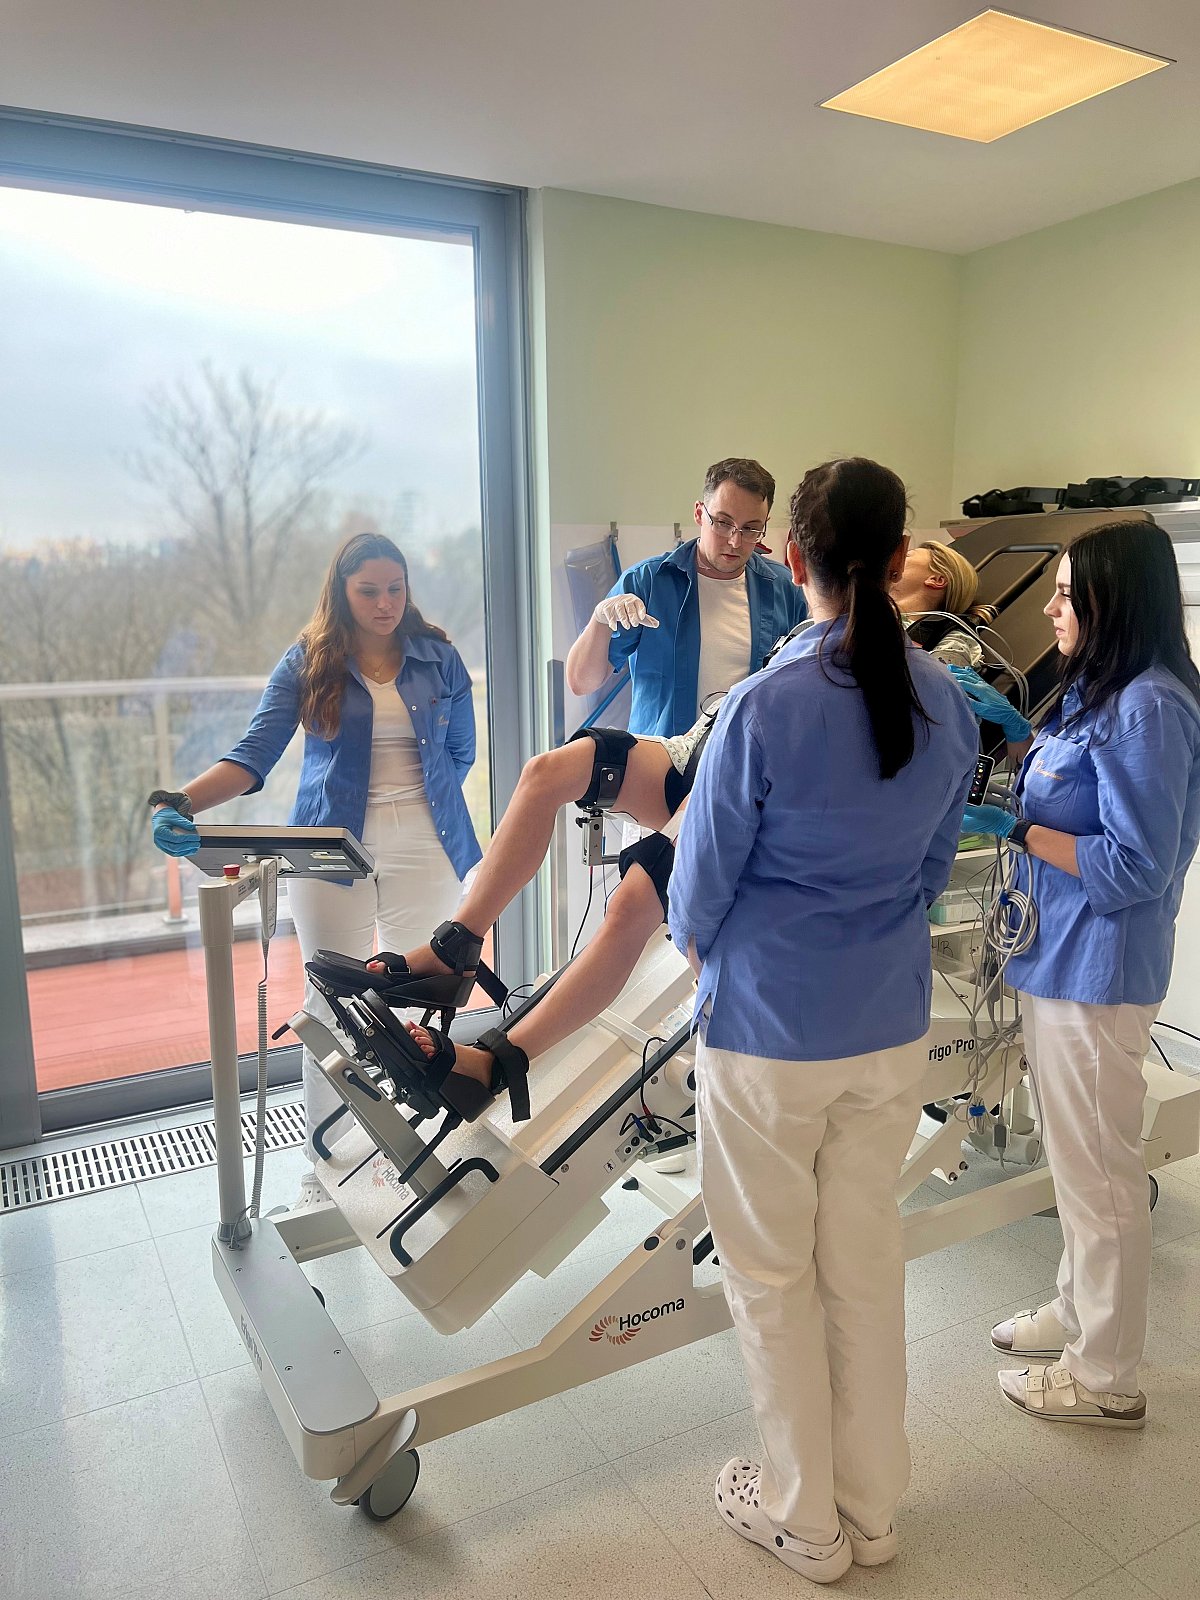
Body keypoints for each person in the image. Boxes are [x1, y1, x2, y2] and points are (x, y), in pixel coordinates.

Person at [667, 458, 978, 1582]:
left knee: (771, 1276)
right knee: (863, 1264)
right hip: (886, 1027)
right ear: (897, 562)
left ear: (791, 557)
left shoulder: (766, 707)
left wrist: (712, 956)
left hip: (768, 1031)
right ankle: (872, 1509)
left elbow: (697, 893)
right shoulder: (947, 702)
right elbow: (932, 872)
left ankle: (804, 1519)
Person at [952, 521, 1200, 1429]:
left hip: (1101, 970)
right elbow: (1079, 787)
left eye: (1067, 593)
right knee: (1074, 1159)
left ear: (1113, 601)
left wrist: (1017, 830)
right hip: (1058, 955)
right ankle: (1076, 1312)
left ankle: (1106, 1377)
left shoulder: (1151, 707)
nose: (1052, 607)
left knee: (1102, 1177)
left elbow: (1137, 865)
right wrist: (1021, 741)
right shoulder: (1101, 689)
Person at [147, 531, 481, 1191]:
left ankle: (408, 1147)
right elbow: (254, 755)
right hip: (330, 848)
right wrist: (178, 802)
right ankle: (329, 1160)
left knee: (415, 999)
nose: (385, 603)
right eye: (368, 591)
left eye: (395, 588)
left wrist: (415, 806)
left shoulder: (439, 657)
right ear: (341, 591)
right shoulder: (308, 660)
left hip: (426, 844)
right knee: (332, 1004)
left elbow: (461, 753)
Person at [565, 458, 807, 736]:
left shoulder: (785, 589)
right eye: (723, 523)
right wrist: (600, 622)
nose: (734, 541)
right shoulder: (648, 583)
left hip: (746, 758)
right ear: (699, 513)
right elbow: (581, 683)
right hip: (659, 759)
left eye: (750, 529)